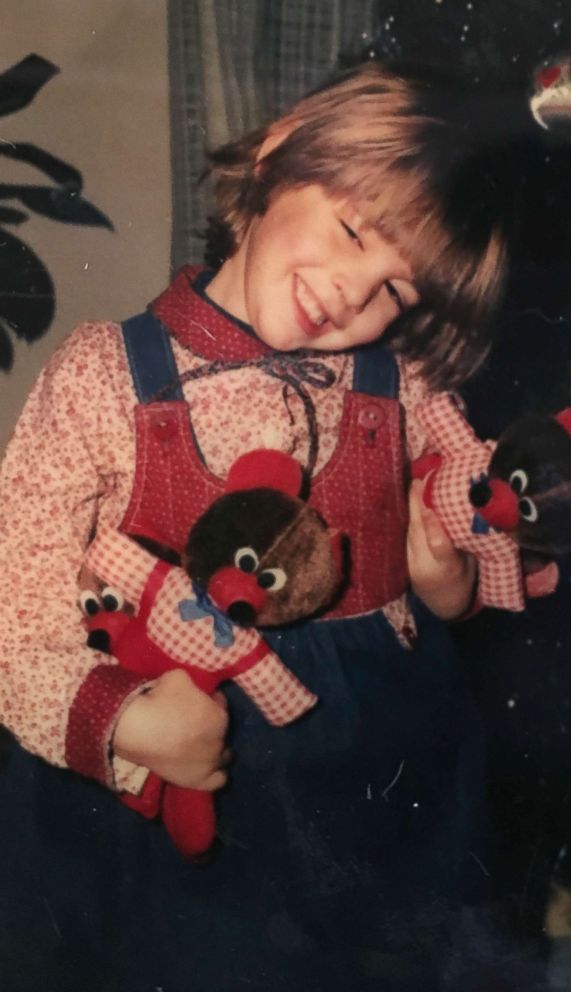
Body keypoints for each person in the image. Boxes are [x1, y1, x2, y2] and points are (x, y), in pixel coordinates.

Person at [0, 64, 509, 991]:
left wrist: (450, 586)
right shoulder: (102, 378)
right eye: (354, 230)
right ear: (279, 154)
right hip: (172, 809)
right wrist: (124, 724)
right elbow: (14, 612)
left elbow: (478, 534)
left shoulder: (408, 393)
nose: (353, 294)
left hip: (378, 797)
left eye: (396, 291)